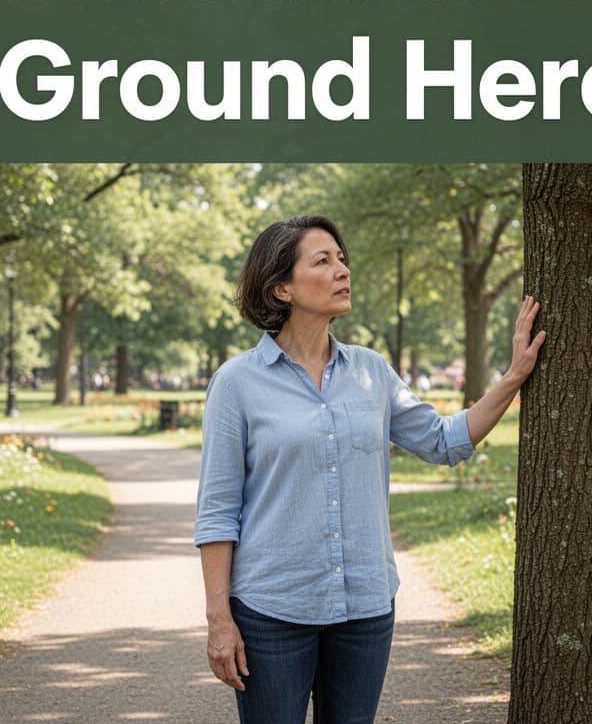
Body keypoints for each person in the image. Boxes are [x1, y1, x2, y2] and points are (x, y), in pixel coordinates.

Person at [194, 215, 545, 724]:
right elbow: (218, 512)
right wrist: (218, 619)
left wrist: (513, 376)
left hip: (365, 609)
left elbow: (445, 442)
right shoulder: (236, 384)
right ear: (282, 288)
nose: (342, 270)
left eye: (342, 259)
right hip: (271, 612)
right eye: (323, 261)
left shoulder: (371, 372)